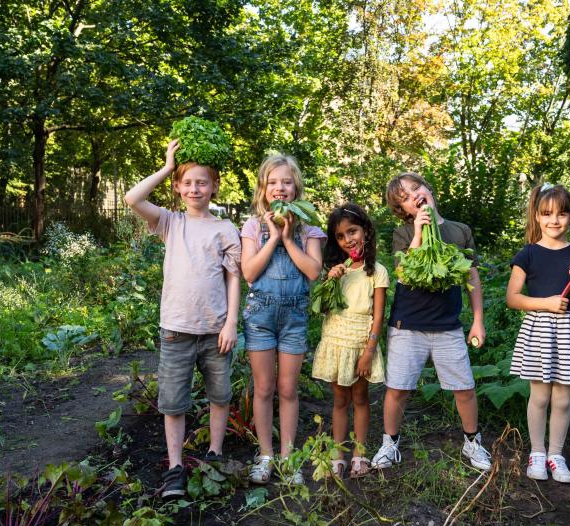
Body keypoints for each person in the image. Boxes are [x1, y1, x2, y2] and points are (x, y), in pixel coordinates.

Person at [124, 139, 241, 499]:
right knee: (173, 402)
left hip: (214, 330)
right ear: (177, 187)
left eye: (202, 182)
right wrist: (167, 166)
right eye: (187, 182)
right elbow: (132, 199)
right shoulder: (169, 223)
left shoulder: (225, 228)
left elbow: (233, 277)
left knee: (219, 396)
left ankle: (214, 454)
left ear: (214, 186)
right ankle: (175, 467)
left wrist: (231, 322)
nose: (195, 188)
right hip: (176, 329)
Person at [372, 172, 491, 472]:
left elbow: (472, 276)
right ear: (404, 210)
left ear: (428, 190)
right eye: (404, 198)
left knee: (464, 387)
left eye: (416, 188)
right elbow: (402, 274)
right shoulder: (403, 233)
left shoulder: (459, 231)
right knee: (398, 387)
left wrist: (478, 321)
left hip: (447, 325)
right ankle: (389, 442)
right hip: (407, 325)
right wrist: (418, 234)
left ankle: (472, 442)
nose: (414, 195)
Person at [240, 154, 325, 485]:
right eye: (273, 182)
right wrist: (273, 236)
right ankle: (265, 455)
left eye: (286, 182)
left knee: (288, 388)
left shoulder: (309, 228)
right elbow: (249, 271)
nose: (280, 188)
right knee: (263, 387)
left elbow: (313, 271)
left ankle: (289, 458)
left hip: (294, 317)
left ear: (296, 187)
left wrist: (289, 237)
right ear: (264, 189)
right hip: (260, 315)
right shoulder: (253, 226)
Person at [506, 183, 570, 483]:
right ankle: (537, 453)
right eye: (547, 214)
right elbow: (513, 298)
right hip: (539, 330)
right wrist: (544, 303)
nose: (554, 220)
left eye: (562, 213)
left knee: (562, 399)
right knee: (540, 397)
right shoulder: (528, 254)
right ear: (537, 215)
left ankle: (556, 456)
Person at [311, 203, 388, 478]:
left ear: (365, 230)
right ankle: (337, 454)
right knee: (339, 400)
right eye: (341, 236)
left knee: (361, 398)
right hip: (336, 339)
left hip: (360, 344)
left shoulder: (376, 271)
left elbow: (378, 317)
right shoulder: (335, 270)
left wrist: (369, 350)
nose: (348, 240)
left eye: (352, 231)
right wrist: (329, 280)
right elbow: (319, 307)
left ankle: (359, 453)